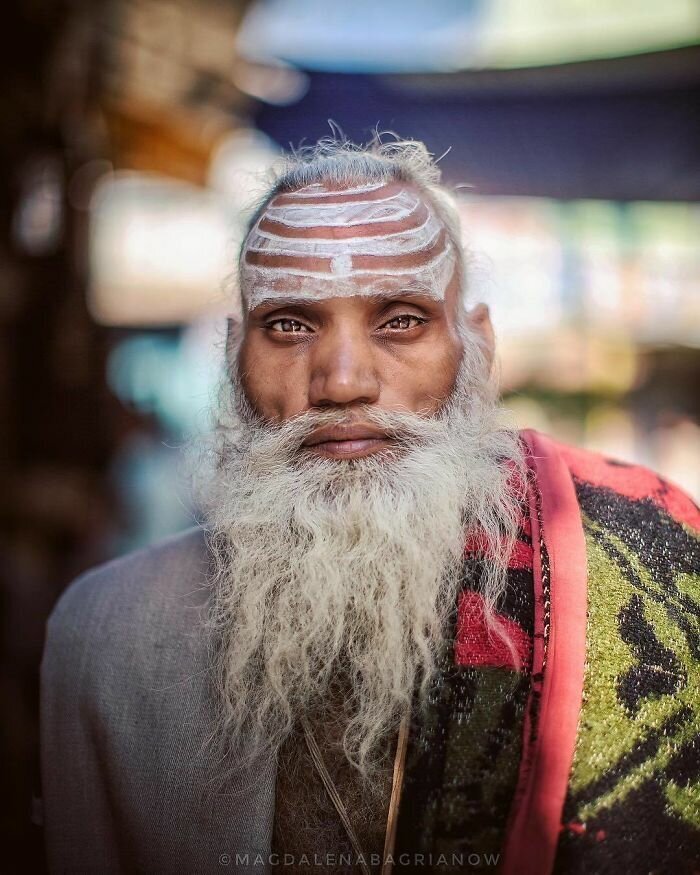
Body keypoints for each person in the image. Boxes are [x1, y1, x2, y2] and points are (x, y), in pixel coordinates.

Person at [40, 137, 700, 875]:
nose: (344, 381)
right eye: (290, 324)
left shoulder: (645, 560)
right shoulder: (107, 634)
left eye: (401, 321)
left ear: (475, 347)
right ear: (234, 358)